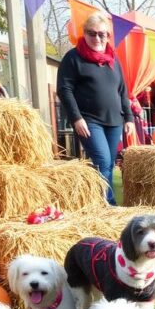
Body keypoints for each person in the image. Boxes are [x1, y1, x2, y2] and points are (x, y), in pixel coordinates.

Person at [56, 12, 135, 206]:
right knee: (102, 160)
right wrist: (76, 118)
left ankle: (100, 201)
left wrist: (129, 118)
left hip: (114, 120)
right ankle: (107, 203)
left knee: (108, 164)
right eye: (93, 34)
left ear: (108, 36)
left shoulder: (113, 60)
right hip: (89, 120)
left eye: (102, 34)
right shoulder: (73, 58)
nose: (98, 38)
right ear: (85, 34)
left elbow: (122, 91)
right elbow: (64, 89)